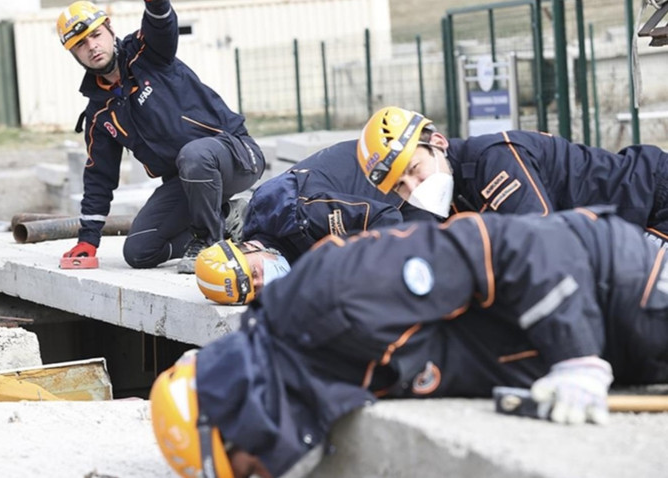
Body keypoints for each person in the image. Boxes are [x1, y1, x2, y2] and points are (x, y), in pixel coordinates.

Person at [150, 206, 668, 478]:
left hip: (620, 289)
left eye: (245, 469)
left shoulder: (329, 299)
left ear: (241, 415)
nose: (263, 474)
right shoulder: (311, 374)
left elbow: (519, 245)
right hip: (610, 344)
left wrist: (574, 355)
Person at [56, 1, 265, 274]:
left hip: (235, 155)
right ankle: (229, 220)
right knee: (139, 251)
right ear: (74, 54)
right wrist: (88, 240)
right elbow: (99, 176)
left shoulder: (147, 53)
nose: (92, 46)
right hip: (186, 180)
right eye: (81, 44)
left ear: (109, 29)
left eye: (96, 35)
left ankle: (207, 242)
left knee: (194, 155)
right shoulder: (100, 113)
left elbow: (160, 22)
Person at [356, 105, 668, 244]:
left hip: (652, 200)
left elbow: (541, 241)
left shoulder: (493, 161)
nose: (414, 188)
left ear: (437, 142)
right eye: (400, 186)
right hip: (625, 229)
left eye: (414, 170)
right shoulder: (453, 197)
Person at [194, 139, 434, 305]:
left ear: (249, 247)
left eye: (254, 272)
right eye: (255, 290)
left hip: (405, 180)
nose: (262, 282)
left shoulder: (298, 215)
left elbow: (385, 219)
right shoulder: (275, 241)